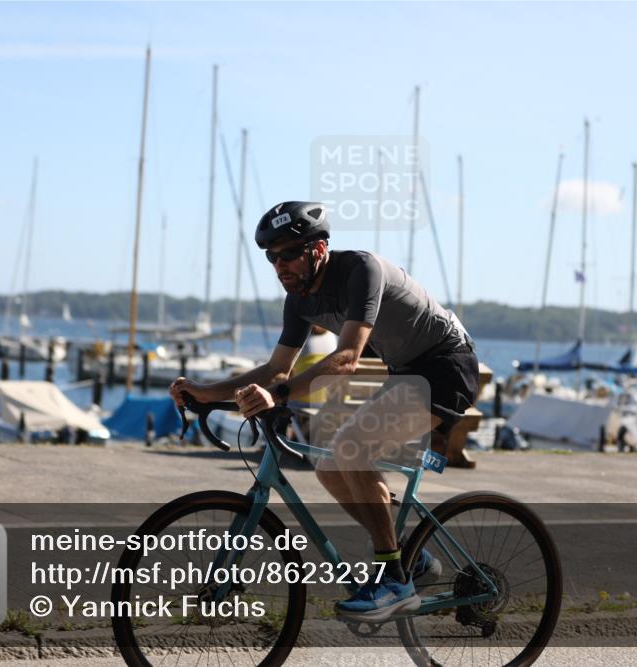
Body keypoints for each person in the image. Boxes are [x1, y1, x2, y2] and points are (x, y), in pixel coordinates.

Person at [170, 201, 479, 622]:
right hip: (407, 371)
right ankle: (411, 557)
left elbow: (348, 357)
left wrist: (278, 395)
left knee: (353, 448)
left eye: (288, 254)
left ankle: (395, 582)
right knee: (330, 465)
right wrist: (205, 392)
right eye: (272, 257)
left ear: (317, 249)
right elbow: (277, 370)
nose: (279, 265)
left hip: (447, 365)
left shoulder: (361, 271)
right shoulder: (298, 299)